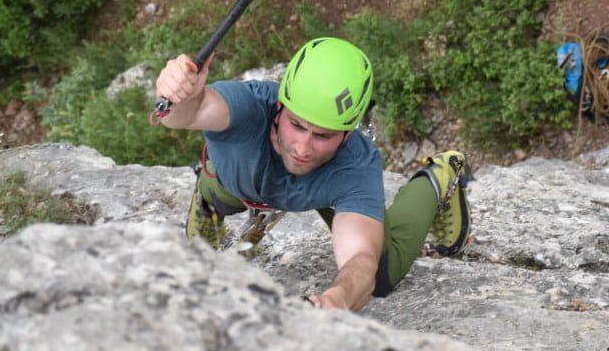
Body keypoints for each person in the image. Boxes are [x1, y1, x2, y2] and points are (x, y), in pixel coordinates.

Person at [154, 36, 472, 311]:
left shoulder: (355, 163)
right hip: (236, 182)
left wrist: (338, 299)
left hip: (321, 192)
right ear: (279, 107)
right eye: (297, 126)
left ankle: (440, 175)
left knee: (381, 276)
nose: (304, 148)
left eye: (323, 136)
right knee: (220, 196)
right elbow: (189, 114)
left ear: (348, 135)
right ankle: (209, 199)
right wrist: (181, 95)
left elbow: (360, 257)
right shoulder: (247, 108)